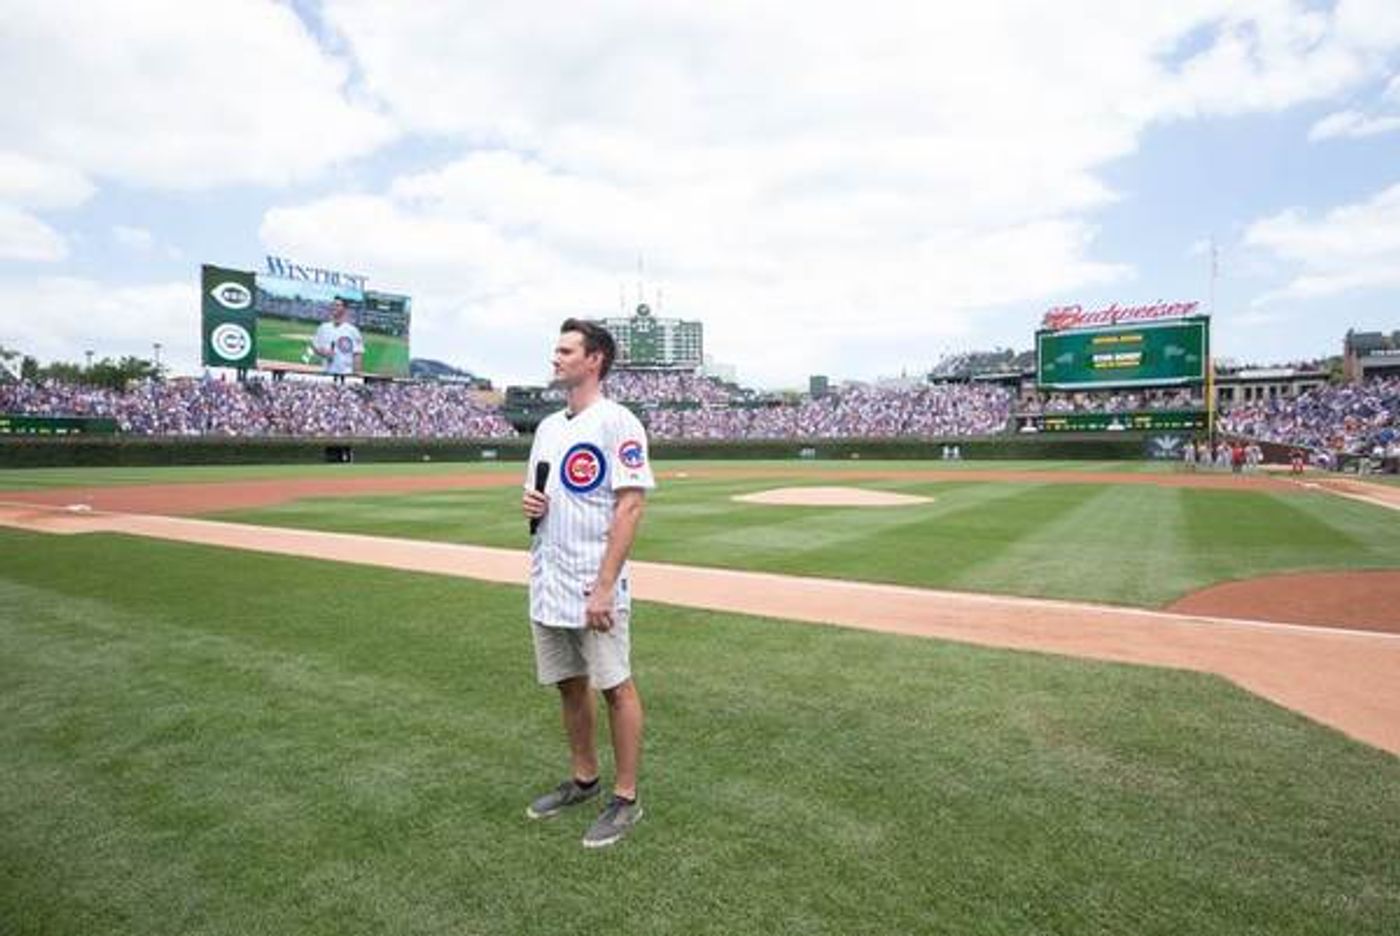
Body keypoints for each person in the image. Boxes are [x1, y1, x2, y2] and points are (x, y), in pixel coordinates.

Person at [520, 318, 655, 849]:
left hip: (594, 583)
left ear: (594, 359)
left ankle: (625, 797)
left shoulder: (619, 422)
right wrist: (532, 504)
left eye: (566, 350)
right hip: (549, 578)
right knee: (569, 683)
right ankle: (584, 778)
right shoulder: (548, 428)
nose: (555, 358)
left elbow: (631, 506)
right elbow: (540, 497)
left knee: (615, 685)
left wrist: (604, 586)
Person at [311, 298, 364, 381]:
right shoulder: (323, 328)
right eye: (333, 305)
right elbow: (315, 348)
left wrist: (356, 377)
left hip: (346, 374)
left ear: (345, 309)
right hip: (326, 373)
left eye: (337, 305)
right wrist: (323, 352)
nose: (334, 307)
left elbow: (357, 355)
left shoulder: (353, 331)